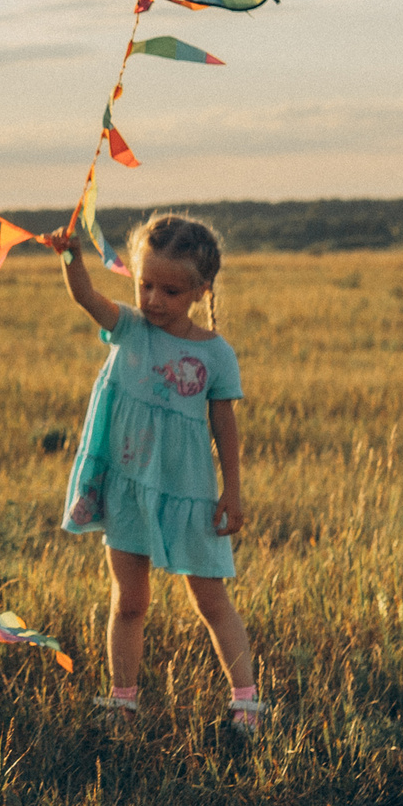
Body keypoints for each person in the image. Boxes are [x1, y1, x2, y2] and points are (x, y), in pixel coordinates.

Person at [58, 214, 263, 730]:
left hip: (188, 493)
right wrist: (71, 257)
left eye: (170, 291)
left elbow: (224, 426)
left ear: (201, 290)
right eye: (145, 285)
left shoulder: (215, 354)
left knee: (211, 600)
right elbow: (85, 296)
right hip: (127, 487)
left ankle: (246, 703)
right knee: (129, 601)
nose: (153, 300)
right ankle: (122, 702)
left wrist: (233, 492)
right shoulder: (128, 328)